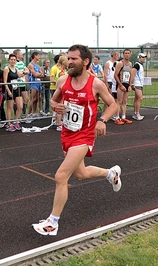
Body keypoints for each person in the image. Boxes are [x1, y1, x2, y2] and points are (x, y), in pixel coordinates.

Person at [32, 44, 122, 236]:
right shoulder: (63, 80)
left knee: (61, 176)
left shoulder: (95, 84)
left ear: (85, 61)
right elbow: (54, 101)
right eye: (68, 58)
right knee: (81, 174)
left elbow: (113, 104)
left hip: (85, 135)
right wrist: (57, 107)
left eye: (74, 59)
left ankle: (52, 223)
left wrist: (102, 120)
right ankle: (110, 173)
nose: (69, 62)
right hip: (67, 133)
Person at [2, 53, 25, 131]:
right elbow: (5, 81)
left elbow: (20, 75)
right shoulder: (6, 68)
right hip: (10, 88)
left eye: (14, 60)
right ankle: (8, 123)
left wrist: (26, 72)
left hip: (16, 88)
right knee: (10, 108)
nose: (13, 61)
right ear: (9, 60)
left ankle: (16, 120)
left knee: (20, 106)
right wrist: (8, 91)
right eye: (11, 59)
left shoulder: (16, 68)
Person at [114, 49, 133, 125]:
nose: (127, 55)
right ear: (123, 54)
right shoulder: (120, 63)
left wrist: (130, 85)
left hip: (127, 84)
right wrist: (120, 84)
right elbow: (115, 75)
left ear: (130, 54)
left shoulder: (130, 64)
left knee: (124, 101)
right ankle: (117, 118)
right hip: (120, 84)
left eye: (128, 53)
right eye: (125, 53)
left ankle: (123, 117)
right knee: (119, 101)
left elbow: (130, 75)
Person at [26, 52, 44, 120]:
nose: (39, 56)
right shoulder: (31, 65)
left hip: (38, 82)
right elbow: (35, 75)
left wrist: (38, 74)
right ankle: (29, 114)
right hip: (33, 83)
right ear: (35, 56)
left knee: (37, 98)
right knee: (33, 99)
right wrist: (38, 74)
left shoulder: (38, 65)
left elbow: (42, 75)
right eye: (38, 55)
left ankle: (34, 113)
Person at [129, 53, 147, 121]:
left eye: (144, 57)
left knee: (136, 99)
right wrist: (131, 84)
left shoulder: (140, 65)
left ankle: (135, 113)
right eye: (142, 57)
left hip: (140, 83)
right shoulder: (136, 65)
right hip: (137, 84)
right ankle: (137, 113)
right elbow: (132, 74)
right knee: (140, 98)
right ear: (139, 57)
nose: (144, 58)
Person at [53, 55, 68, 131]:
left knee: (62, 106)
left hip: (62, 91)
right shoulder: (61, 71)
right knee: (60, 106)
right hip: (61, 91)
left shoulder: (63, 70)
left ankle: (57, 121)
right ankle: (59, 124)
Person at [13, 49, 30, 117]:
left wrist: (24, 72)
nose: (22, 54)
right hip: (17, 85)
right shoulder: (14, 63)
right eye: (20, 53)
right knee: (16, 101)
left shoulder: (22, 63)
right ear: (17, 55)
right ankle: (16, 116)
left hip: (23, 84)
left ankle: (23, 114)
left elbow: (27, 70)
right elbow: (19, 74)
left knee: (26, 99)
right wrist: (24, 73)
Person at [103, 51, 120, 116]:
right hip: (110, 81)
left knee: (116, 99)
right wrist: (106, 83)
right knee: (108, 98)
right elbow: (105, 74)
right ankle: (104, 112)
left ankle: (114, 114)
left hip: (116, 82)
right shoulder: (108, 63)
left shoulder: (118, 63)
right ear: (113, 55)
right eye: (117, 55)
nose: (118, 56)